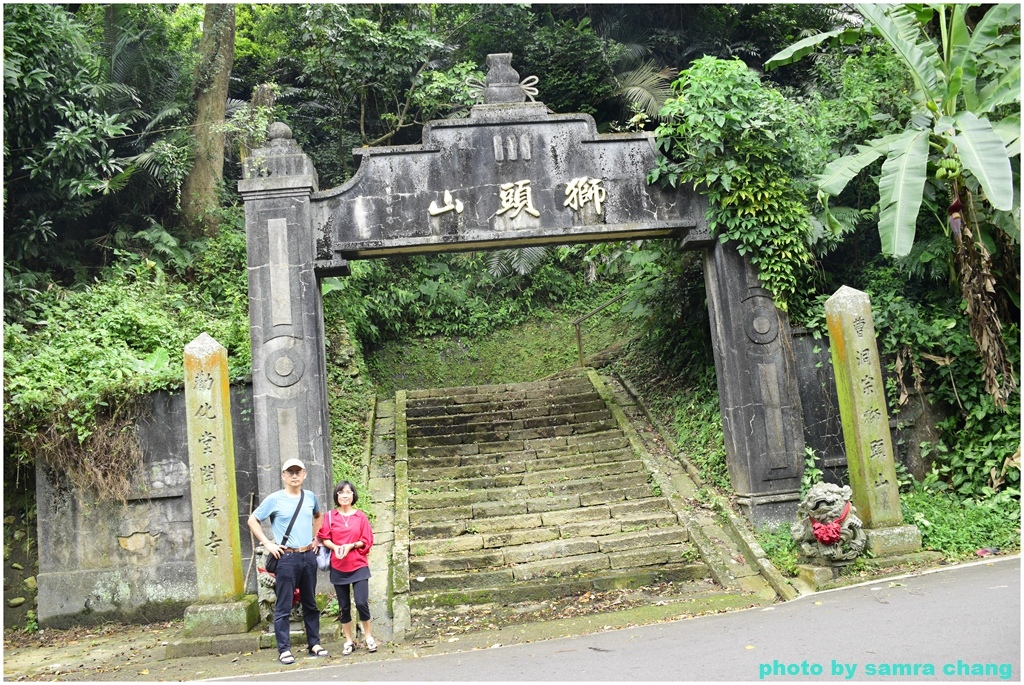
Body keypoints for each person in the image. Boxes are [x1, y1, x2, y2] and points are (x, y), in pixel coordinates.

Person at [248, 458, 329, 664]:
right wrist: (267, 543)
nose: (294, 476)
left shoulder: (310, 497)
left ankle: (314, 644)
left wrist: (316, 538)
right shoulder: (275, 499)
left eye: (298, 472)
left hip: (307, 556)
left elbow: (318, 515)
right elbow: (253, 520)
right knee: (283, 605)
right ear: (283, 476)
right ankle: (284, 649)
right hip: (286, 557)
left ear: (304, 475)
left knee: (310, 602)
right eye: (290, 472)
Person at [318, 480, 377, 655]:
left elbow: (367, 540)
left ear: (353, 495)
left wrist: (351, 545)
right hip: (338, 566)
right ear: (337, 495)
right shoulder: (330, 516)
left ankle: (368, 636)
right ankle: (349, 640)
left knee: (361, 602)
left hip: (358, 565)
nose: (345, 495)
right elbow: (324, 537)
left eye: (348, 492)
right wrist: (335, 547)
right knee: (344, 606)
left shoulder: (361, 517)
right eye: (341, 492)